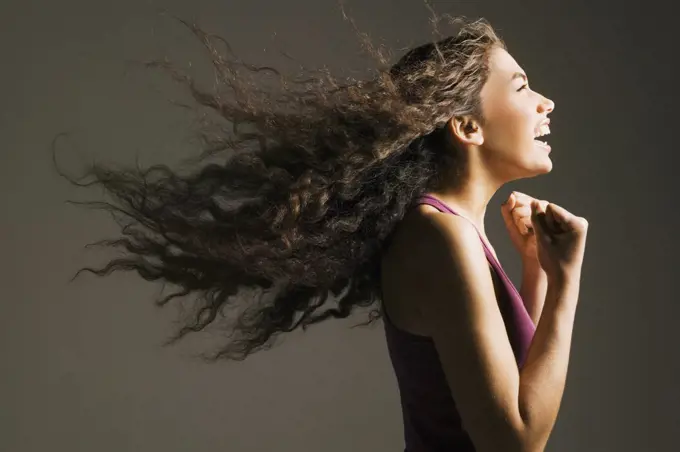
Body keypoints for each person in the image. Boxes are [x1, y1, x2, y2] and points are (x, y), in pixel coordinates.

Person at [55, 11, 588, 452]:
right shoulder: (441, 238)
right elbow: (515, 442)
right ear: (468, 125)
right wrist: (568, 285)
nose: (547, 102)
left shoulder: (454, 231)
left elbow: (521, 387)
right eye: (521, 87)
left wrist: (537, 272)